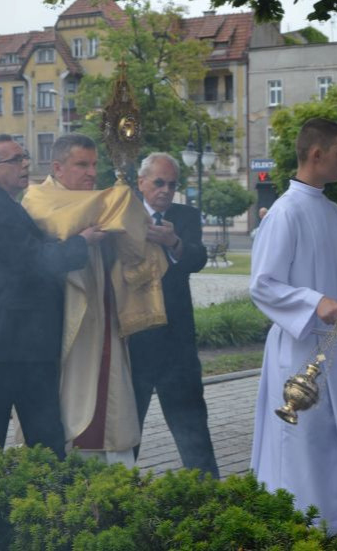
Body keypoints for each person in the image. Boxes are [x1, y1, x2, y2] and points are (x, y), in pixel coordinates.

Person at [250, 118, 337, 532]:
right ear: (316, 155)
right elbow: (263, 284)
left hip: (333, 347)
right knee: (306, 444)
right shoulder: (285, 212)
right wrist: (315, 302)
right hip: (299, 350)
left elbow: (325, 276)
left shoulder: (329, 210)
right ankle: (305, 522)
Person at [21, 133, 165, 464]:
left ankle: (112, 460)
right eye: (81, 165)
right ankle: (69, 460)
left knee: (109, 387)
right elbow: (67, 222)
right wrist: (118, 203)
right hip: (61, 317)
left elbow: (125, 230)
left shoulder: (97, 203)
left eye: (94, 165)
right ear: (57, 167)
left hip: (102, 306)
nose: (90, 173)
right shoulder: (37, 198)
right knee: (69, 392)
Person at [0, 135, 98, 454]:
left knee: (46, 437)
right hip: (0, 344)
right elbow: (35, 261)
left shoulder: (5, 203)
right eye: (15, 160)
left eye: (25, 157)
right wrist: (83, 241)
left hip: (24, 344)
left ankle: (48, 500)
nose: (25, 165)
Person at [130, 153, 219, 476]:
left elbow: (197, 258)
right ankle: (115, 497)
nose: (165, 190)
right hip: (132, 344)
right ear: (141, 182)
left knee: (193, 430)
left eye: (172, 184)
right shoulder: (122, 213)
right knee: (127, 435)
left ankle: (210, 499)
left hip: (176, 345)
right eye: (158, 182)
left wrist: (174, 242)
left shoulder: (185, 216)